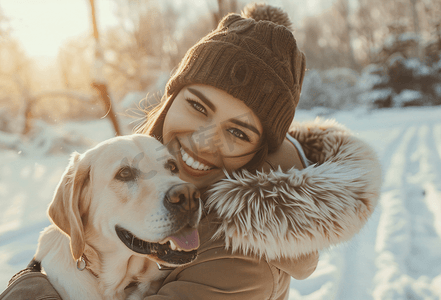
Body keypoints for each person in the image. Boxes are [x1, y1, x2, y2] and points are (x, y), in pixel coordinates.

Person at [135, 3, 382, 300]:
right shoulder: (124, 181)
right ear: (171, 99)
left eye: (237, 132)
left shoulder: (238, 264)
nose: (203, 141)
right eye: (198, 107)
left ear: (259, 153)